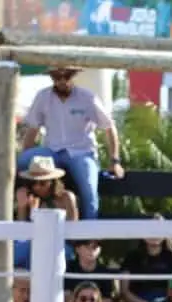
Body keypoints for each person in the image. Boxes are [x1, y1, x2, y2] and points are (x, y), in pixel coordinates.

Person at [18, 65, 123, 221]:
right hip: (51, 151)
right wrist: (26, 158)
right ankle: (24, 211)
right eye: (57, 77)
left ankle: (89, 231)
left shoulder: (88, 97)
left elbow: (109, 127)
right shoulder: (43, 97)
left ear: (73, 76)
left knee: (89, 190)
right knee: (22, 161)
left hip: (82, 152)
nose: (62, 81)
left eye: (66, 76)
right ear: (52, 78)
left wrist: (115, 161)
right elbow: (32, 130)